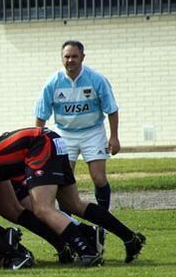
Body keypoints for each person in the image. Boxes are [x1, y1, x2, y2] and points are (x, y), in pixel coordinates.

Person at [0, 127, 146, 266]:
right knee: (71, 204)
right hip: (51, 140)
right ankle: (129, 238)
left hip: (39, 144)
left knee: (42, 208)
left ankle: (87, 251)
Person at [35, 40, 119, 209]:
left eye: (74, 56)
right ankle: (68, 223)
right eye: (67, 57)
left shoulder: (96, 79)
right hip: (64, 134)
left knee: (99, 178)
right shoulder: (53, 82)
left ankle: (104, 217)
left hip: (93, 132)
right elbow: (41, 115)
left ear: (82, 57)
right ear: (61, 58)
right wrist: (38, 143)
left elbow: (112, 109)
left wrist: (114, 137)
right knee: (64, 180)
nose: (70, 60)